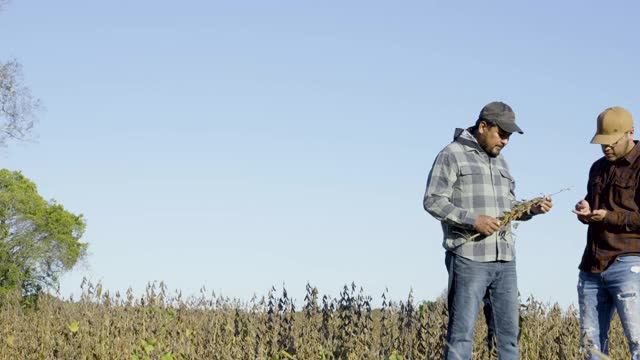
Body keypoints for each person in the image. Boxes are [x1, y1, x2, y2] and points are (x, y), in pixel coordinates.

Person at [424, 101, 552, 359]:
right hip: (469, 258)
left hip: (505, 261)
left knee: (508, 339)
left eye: (509, 137)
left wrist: (531, 209)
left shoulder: (501, 162)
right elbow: (433, 200)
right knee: (460, 337)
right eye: (502, 134)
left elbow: (507, 210)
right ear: (483, 126)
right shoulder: (452, 154)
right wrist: (473, 220)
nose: (505, 141)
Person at [573, 106, 640, 359]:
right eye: (602, 143)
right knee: (591, 348)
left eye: (611, 142)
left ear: (630, 132)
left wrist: (608, 216)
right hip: (591, 267)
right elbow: (595, 208)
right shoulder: (597, 168)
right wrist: (586, 209)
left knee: (638, 343)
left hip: (629, 263)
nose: (606, 148)